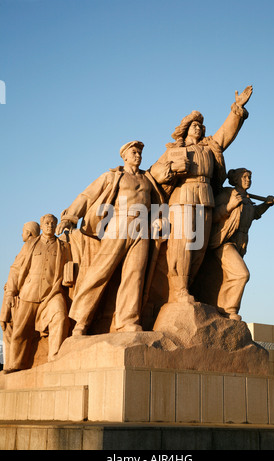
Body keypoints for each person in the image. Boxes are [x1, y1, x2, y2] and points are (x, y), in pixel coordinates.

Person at [149, 86, 253, 303]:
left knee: (199, 248)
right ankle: (178, 291)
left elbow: (225, 134)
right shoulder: (175, 150)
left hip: (205, 199)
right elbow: (155, 172)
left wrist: (237, 109)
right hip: (183, 198)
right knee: (183, 245)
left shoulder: (209, 148)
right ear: (186, 129)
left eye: (200, 126)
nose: (198, 128)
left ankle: (188, 288)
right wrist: (173, 168)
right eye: (194, 125)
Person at [56, 141, 164, 335]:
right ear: (124, 156)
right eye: (134, 152)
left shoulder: (148, 179)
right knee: (99, 271)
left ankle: (127, 321)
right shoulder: (114, 176)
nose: (138, 155)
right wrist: (70, 216)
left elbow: (156, 203)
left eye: (140, 152)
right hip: (119, 224)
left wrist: (157, 219)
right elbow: (87, 196)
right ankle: (80, 321)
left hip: (142, 229)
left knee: (135, 275)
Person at [3, 214, 72, 372]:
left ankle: (55, 358)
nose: (50, 226)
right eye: (47, 223)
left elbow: (69, 266)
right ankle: (15, 365)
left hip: (52, 293)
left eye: (53, 223)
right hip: (29, 293)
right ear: (41, 226)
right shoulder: (30, 245)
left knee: (61, 317)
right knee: (21, 331)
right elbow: (16, 269)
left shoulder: (63, 247)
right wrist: (10, 293)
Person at [208, 168, 274, 320]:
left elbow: (254, 214)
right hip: (225, 241)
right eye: (244, 177)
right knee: (241, 274)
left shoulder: (246, 198)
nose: (248, 180)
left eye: (250, 177)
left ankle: (222, 309)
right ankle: (228, 309)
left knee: (229, 276)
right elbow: (212, 216)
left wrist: (266, 205)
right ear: (236, 179)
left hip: (242, 243)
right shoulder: (228, 194)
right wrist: (230, 206)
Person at [0, 221, 40, 371]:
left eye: (23, 231)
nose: (21, 234)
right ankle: (9, 364)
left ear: (29, 233)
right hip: (20, 293)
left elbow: (16, 271)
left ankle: (12, 364)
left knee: (11, 330)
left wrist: (10, 291)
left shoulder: (29, 246)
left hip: (22, 296)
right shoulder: (33, 245)